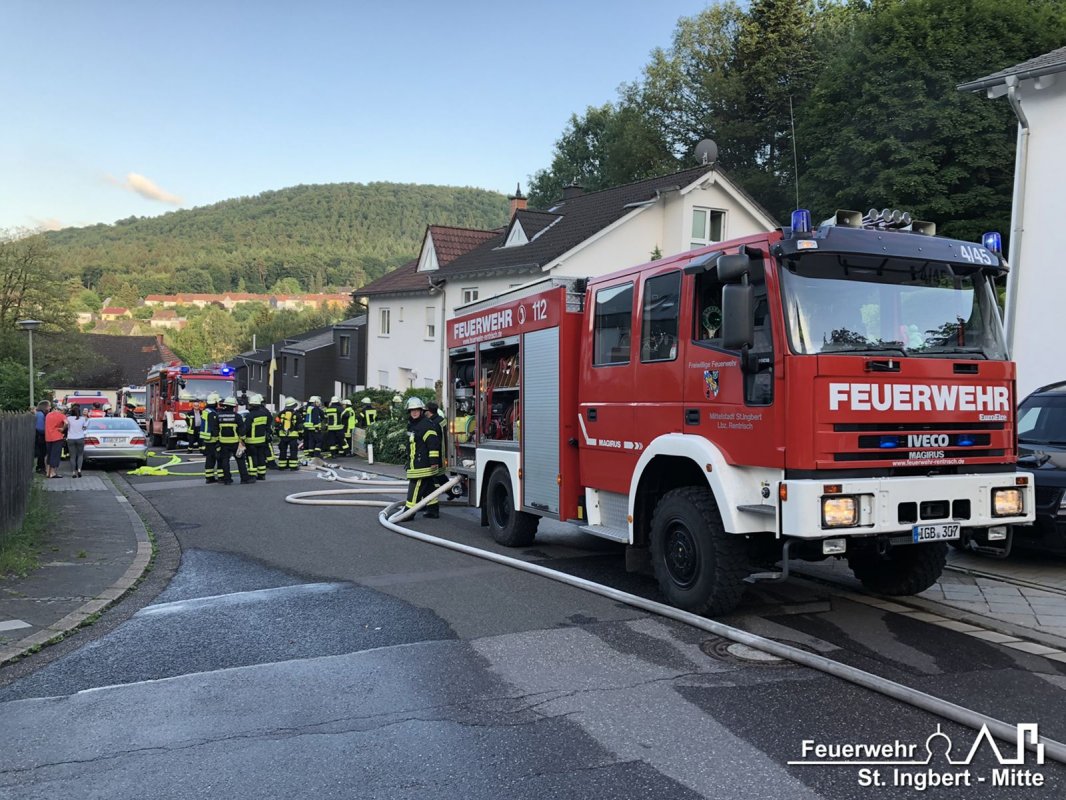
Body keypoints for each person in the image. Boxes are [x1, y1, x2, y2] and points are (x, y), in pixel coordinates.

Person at [404, 397, 442, 518]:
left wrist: (434, 461)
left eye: (416, 410)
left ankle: (408, 512)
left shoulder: (425, 425)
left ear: (421, 411)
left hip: (423, 464)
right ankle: (432, 509)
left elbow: (433, 443)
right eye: (412, 410)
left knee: (415, 487)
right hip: (416, 461)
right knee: (429, 486)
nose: (414, 412)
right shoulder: (412, 425)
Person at [215, 396, 253, 485]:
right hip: (236, 443)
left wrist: (218, 441)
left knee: (225, 461)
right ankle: (244, 479)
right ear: (233, 406)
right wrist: (242, 440)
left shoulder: (218, 416)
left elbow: (215, 430)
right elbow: (242, 430)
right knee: (240, 461)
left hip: (223, 443)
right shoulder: (237, 416)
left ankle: (227, 480)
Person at [244, 393, 272, 480]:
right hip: (261, 440)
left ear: (251, 405)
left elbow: (246, 428)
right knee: (261, 457)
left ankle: (252, 474)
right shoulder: (264, 414)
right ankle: (262, 474)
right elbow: (268, 427)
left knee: (252, 458)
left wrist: (241, 436)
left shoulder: (249, 416)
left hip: (251, 441)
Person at [274, 397, 301, 470]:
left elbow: (276, 423)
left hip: (283, 436)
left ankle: (282, 466)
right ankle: (293, 466)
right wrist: (301, 435)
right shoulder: (296, 414)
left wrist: (278, 433)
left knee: (283, 450)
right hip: (293, 436)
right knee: (293, 451)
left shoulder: (280, 414)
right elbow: (299, 426)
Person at [44, 402, 68, 478]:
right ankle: (53, 473)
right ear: (62, 411)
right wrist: (63, 429)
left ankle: (47, 472)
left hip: (48, 437)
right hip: (57, 437)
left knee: (49, 455)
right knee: (55, 455)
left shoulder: (48, 415)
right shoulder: (62, 415)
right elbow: (66, 423)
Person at [201, 392, 220, 484]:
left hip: (206, 438)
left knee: (209, 458)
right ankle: (211, 477)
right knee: (214, 458)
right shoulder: (212, 413)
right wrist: (218, 438)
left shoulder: (206, 411)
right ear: (215, 402)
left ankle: (209, 476)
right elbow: (214, 427)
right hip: (212, 438)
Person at [66, 405, 90, 478]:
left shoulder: (68, 418)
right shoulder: (83, 418)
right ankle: (79, 470)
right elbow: (85, 427)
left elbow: (67, 426)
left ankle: (73, 472)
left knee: (72, 456)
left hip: (70, 438)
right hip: (80, 438)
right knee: (80, 455)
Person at [34, 400, 49, 473]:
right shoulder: (40, 414)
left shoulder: (39, 413)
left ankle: (40, 467)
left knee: (42, 453)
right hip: (40, 437)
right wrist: (47, 431)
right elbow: (40, 428)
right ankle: (40, 468)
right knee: (41, 453)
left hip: (39, 436)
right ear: (45, 407)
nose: (49, 408)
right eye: (49, 406)